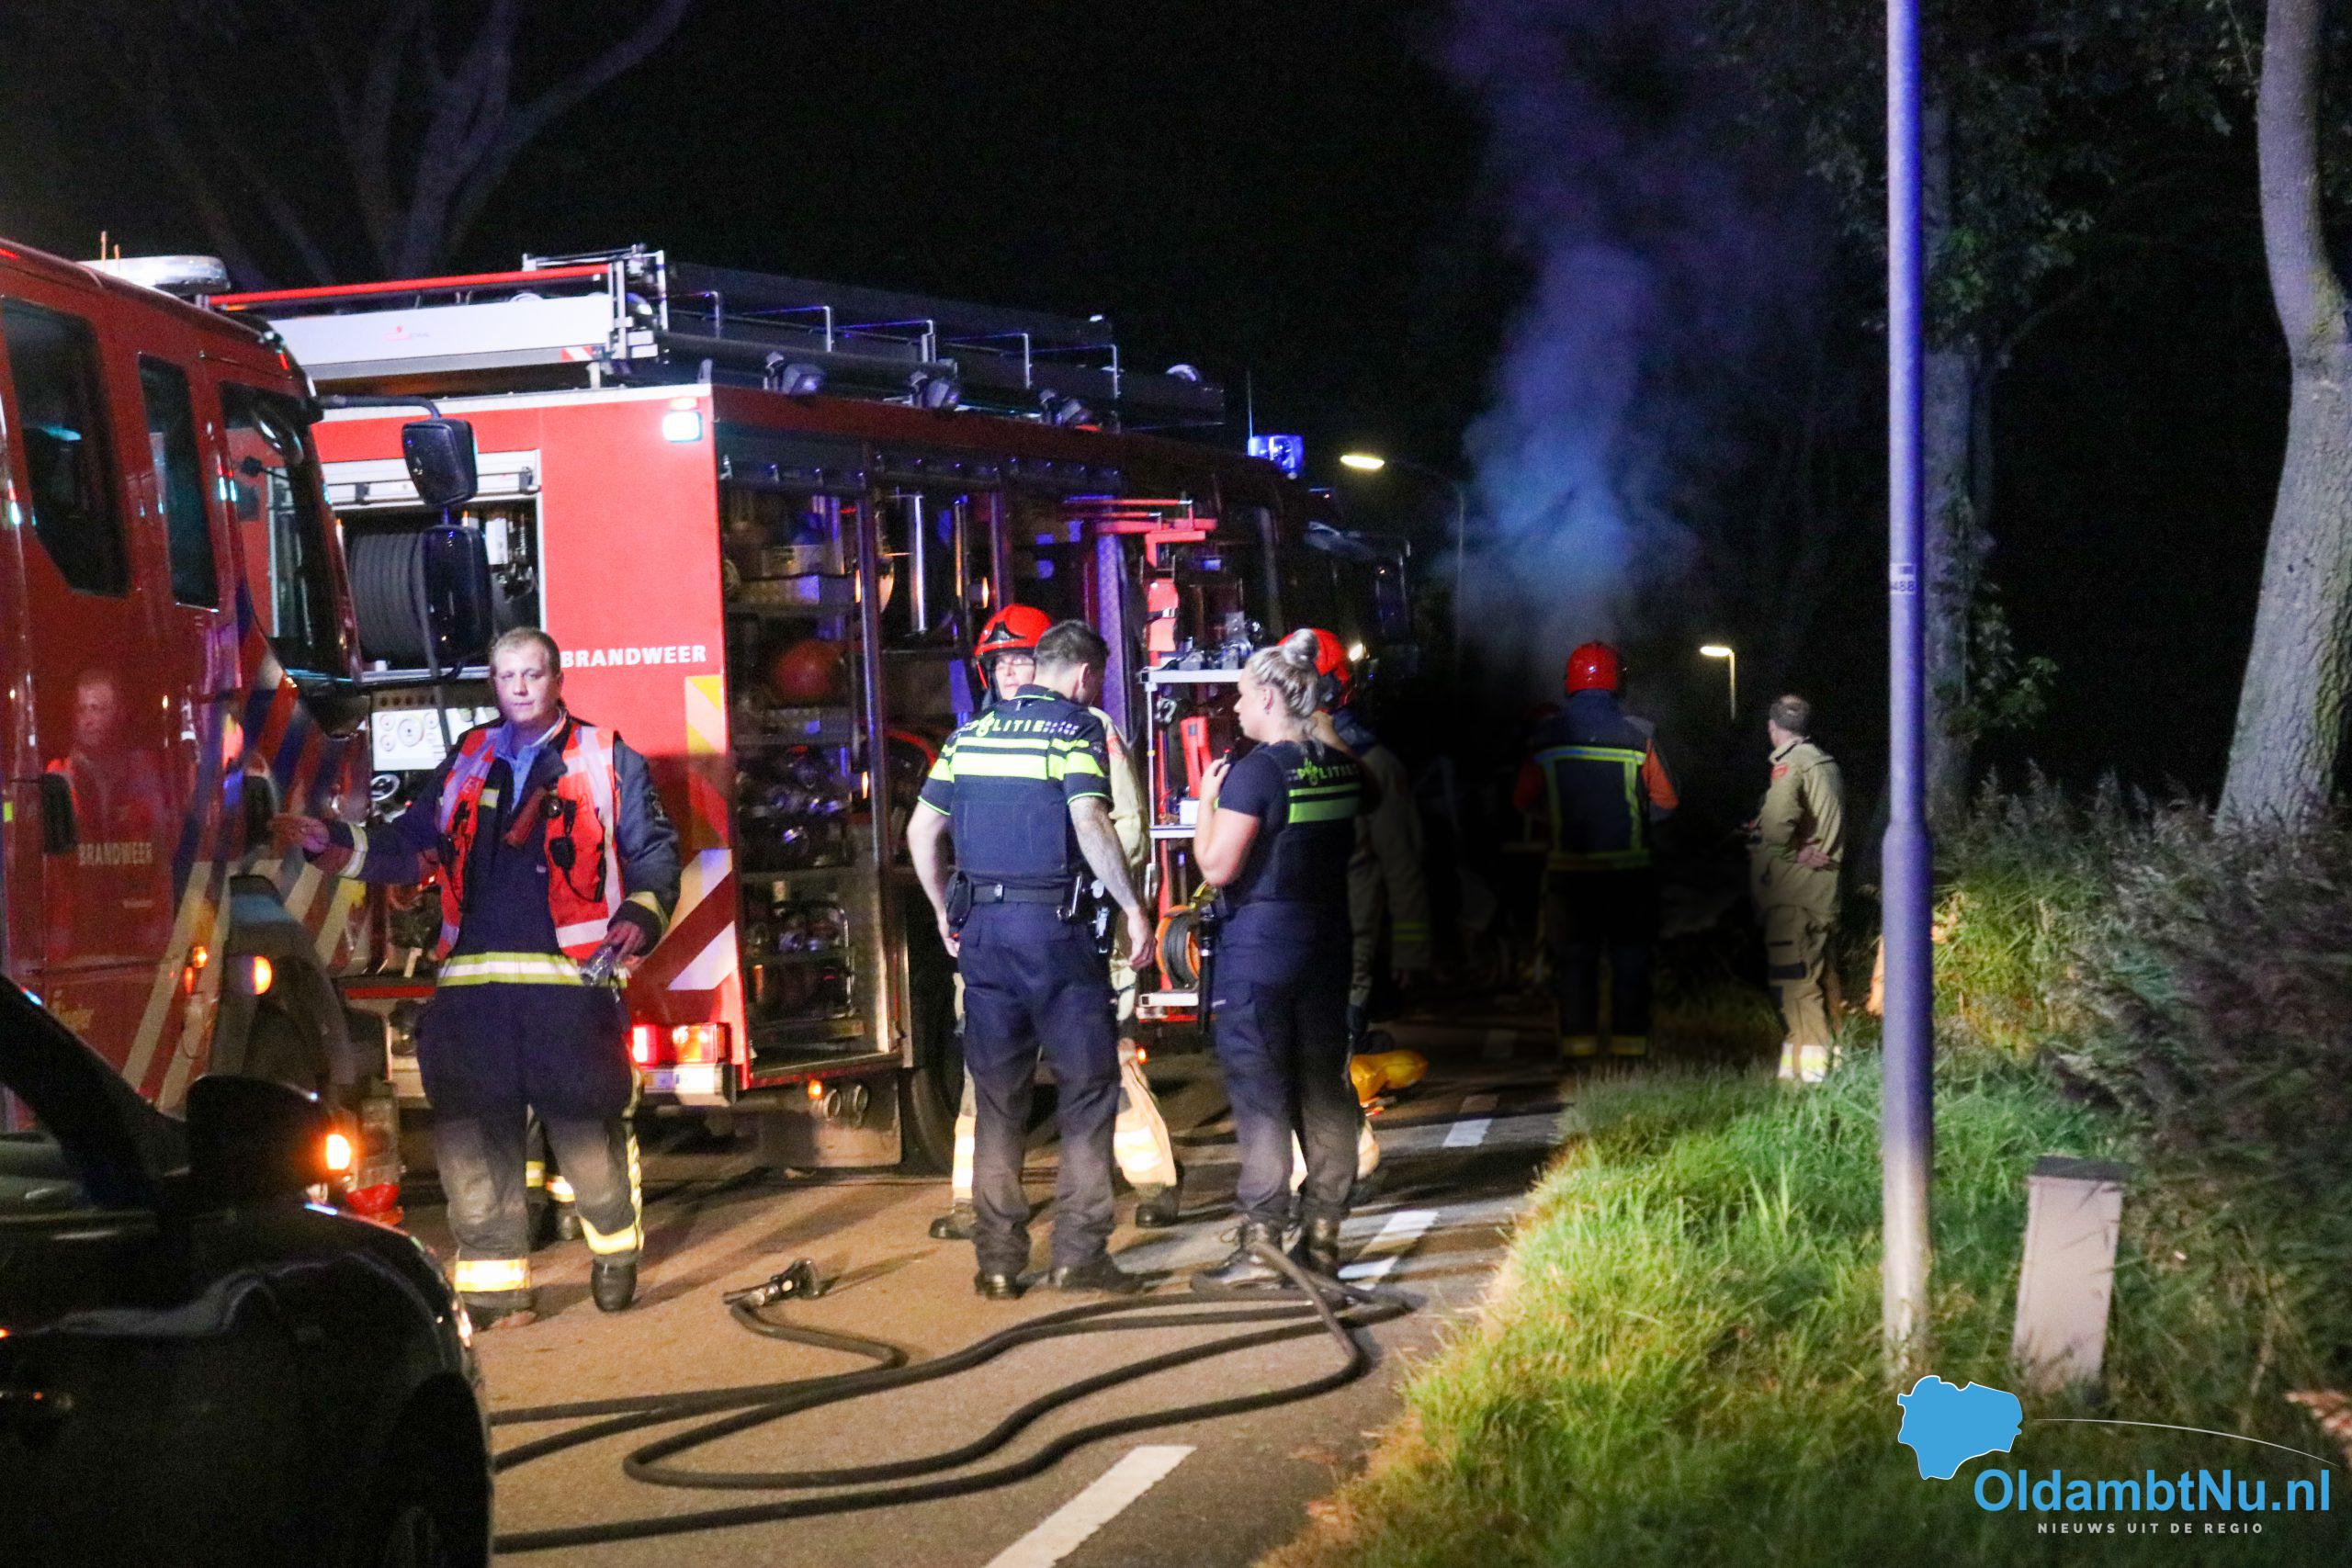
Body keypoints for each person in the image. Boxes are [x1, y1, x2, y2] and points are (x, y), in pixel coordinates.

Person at [276, 628, 680, 1326]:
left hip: (570, 996)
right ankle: (498, 1291)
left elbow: (653, 855)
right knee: (470, 1143)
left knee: (591, 1149)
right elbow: (411, 847)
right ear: (492, 683)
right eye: (506, 675)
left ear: (558, 678)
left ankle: (614, 1249)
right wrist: (332, 844)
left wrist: (640, 918)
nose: (519, 687)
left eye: (532, 673)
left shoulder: (609, 757)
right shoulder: (468, 758)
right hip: (473, 999)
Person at [907, 619, 1154, 1299]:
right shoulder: (1075, 732)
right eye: (1095, 680)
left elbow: (922, 828)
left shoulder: (968, 736)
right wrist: (1132, 906)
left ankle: (997, 1263)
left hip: (983, 935)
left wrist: (939, 907)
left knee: (996, 1100)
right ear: (1080, 675)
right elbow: (1092, 822)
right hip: (1057, 933)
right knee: (1087, 1088)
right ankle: (1078, 1253)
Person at [1189, 631, 1369, 1288]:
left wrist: (1207, 798)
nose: (1236, 709)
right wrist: (1320, 725)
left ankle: (1261, 1238)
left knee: (1262, 1090)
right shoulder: (1340, 764)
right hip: (1327, 941)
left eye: (1241, 696)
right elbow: (1370, 795)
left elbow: (1216, 864)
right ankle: (1322, 1237)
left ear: (1268, 696)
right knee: (1324, 1088)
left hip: (1263, 945)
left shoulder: (1257, 771)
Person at [1514, 641, 1678, 1058]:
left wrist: (1556, 817)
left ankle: (1579, 1054)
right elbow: (1667, 801)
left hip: (1570, 874)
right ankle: (1628, 1053)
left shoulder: (1546, 736)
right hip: (1628, 873)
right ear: (1617, 682)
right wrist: (1636, 820)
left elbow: (1523, 799)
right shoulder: (1639, 734)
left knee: (1575, 963)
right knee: (1629, 962)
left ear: (1571, 681)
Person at [1748, 694, 1845, 1083]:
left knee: (1798, 992)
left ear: (1773, 729)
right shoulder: (1826, 763)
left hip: (1795, 897)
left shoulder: (1792, 765)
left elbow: (1775, 829)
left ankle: (1812, 1086)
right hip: (1822, 893)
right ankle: (1807, 1079)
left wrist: (1785, 852)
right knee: (1817, 982)